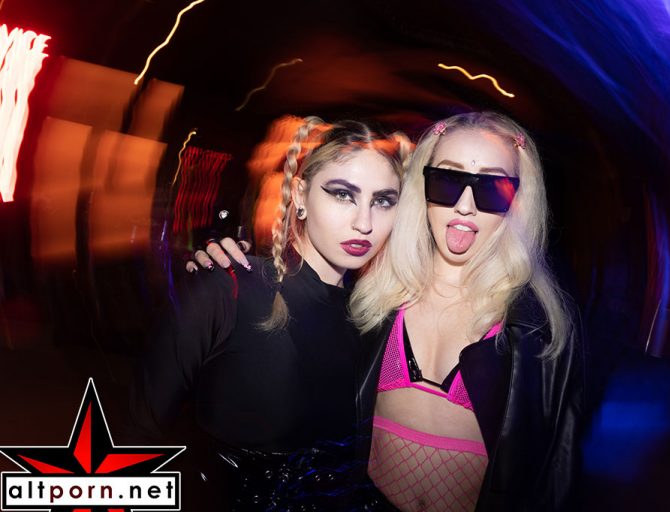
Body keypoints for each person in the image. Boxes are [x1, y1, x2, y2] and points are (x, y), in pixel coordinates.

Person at [205, 111, 583, 511]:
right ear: (421, 187)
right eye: (448, 180)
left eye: (492, 189)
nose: (465, 206)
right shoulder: (374, 301)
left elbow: (556, 472)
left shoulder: (537, 330)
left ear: (518, 202)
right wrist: (223, 270)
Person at [131, 116, 412, 511]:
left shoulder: (376, 320)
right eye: (342, 194)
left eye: (383, 201)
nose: (364, 223)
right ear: (300, 195)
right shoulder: (226, 288)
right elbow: (137, 436)